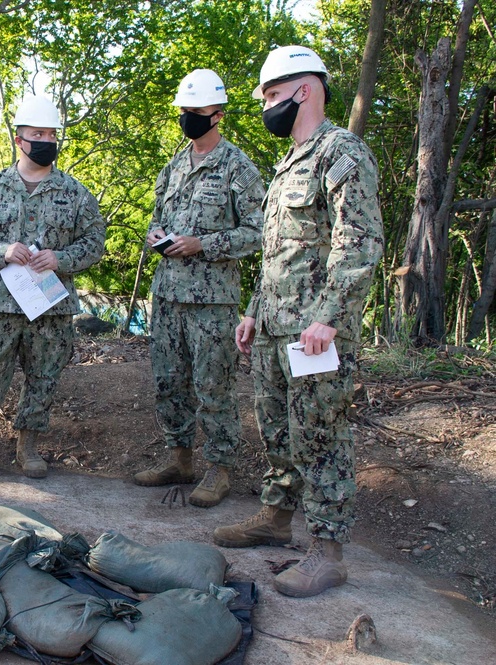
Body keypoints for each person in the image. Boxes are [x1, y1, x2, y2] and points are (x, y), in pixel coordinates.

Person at [212, 46, 383, 597]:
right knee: (278, 431)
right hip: (275, 328)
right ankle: (275, 517)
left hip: (315, 333)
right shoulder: (290, 162)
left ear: (302, 90)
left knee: (321, 436)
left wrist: (330, 318)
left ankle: (328, 550)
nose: (266, 105)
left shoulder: (341, 153)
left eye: (270, 94)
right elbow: (277, 254)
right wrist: (253, 312)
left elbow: (357, 243)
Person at [0, 94, 106, 480]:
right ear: (19, 139)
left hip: (50, 307)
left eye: (52, 133)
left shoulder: (76, 193)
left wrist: (61, 259)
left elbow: (94, 242)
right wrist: (1, 250)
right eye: (38, 133)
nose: (46, 140)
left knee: (44, 376)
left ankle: (27, 446)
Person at [133, 69, 264, 508]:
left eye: (197, 111)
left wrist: (201, 244)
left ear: (218, 115)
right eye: (184, 111)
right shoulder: (173, 167)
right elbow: (156, 220)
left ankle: (220, 468)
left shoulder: (238, 168)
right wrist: (157, 238)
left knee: (214, 386)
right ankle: (180, 458)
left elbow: (258, 232)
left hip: (213, 302)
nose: (188, 118)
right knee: (169, 383)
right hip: (168, 296)